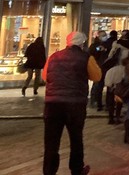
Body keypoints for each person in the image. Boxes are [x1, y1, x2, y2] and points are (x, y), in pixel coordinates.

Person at [42, 31, 101, 175]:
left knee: (51, 142)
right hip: (75, 104)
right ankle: (76, 169)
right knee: (76, 139)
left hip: (53, 104)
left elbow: (45, 76)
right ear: (82, 43)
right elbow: (97, 76)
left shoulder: (53, 56)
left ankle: (49, 171)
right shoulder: (86, 57)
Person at [88, 31, 109, 110]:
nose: (104, 37)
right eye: (103, 36)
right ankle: (94, 101)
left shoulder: (107, 44)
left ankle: (98, 102)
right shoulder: (95, 45)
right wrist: (98, 49)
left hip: (103, 67)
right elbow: (91, 51)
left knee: (100, 85)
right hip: (97, 66)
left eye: (105, 35)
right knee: (97, 85)